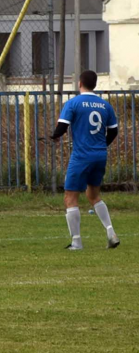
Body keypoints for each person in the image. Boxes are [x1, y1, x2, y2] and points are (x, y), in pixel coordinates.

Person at [51, 70, 120, 250]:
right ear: (95, 85)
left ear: (79, 83)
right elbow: (113, 131)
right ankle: (110, 231)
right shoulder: (105, 105)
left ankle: (76, 242)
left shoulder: (73, 103)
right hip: (100, 155)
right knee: (93, 195)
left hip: (82, 156)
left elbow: (62, 127)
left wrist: (53, 136)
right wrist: (101, 145)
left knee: (70, 197)